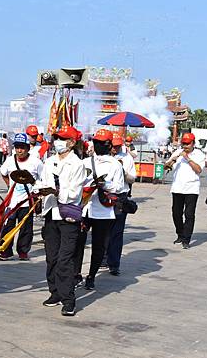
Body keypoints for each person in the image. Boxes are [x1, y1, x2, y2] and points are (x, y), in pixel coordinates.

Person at [38, 125, 86, 316]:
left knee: (65, 259)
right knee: (51, 257)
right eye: (56, 137)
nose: (57, 141)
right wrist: (39, 190)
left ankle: (68, 299)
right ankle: (54, 292)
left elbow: (74, 194)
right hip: (51, 213)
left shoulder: (78, 165)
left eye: (62, 138)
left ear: (72, 143)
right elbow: (41, 181)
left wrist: (56, 191)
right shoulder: (49, 161)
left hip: (68, 216)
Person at [74, 129, 124, 290]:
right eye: (95, 142)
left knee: (99, 245)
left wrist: (105, 185)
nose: (97, 145)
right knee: (78, 243)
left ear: (108, 145)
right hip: (84, 208)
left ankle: (91, 276)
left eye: (100, 143)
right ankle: (76, 274)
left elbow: (119, 187)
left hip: (103, 210)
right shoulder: (85, 163)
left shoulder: (115, 165)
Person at [0, 133, 43, 261]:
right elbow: (3, 173)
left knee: (26, 229)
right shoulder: (10, 160)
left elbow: (43, 177)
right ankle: (6, 251)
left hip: (27, 202)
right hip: (12, 202)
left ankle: (23, 251)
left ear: (28, 148)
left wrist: (37, 190)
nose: (19, 150)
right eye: (17, 147)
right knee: (7, 227)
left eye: (22, 147)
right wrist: (9, 187)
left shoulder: (36, 162)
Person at [164, 132, 205, 249]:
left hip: (191, 188)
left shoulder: (199, 154)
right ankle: (180, 233)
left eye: (188, 144)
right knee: (176, 213)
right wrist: (173, 160)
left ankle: (186, 239)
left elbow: (198, 170)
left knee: (189, 214)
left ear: (193, 143)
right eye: (184, 143)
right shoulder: (177, 152)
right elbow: (166, 166)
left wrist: (187, 158)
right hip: (177, 187)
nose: (185, 146)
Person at [105, 132, 136, 276]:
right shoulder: (102, 157)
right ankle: (102, 258)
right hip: (104, 196)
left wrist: (123, 172)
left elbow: (132, 179)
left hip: (120, 197)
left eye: (118, 146)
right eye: (113, 146)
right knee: (103, 231)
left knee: (117, 233)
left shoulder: (127, 158)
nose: (115, 149)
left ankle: (114, 263)